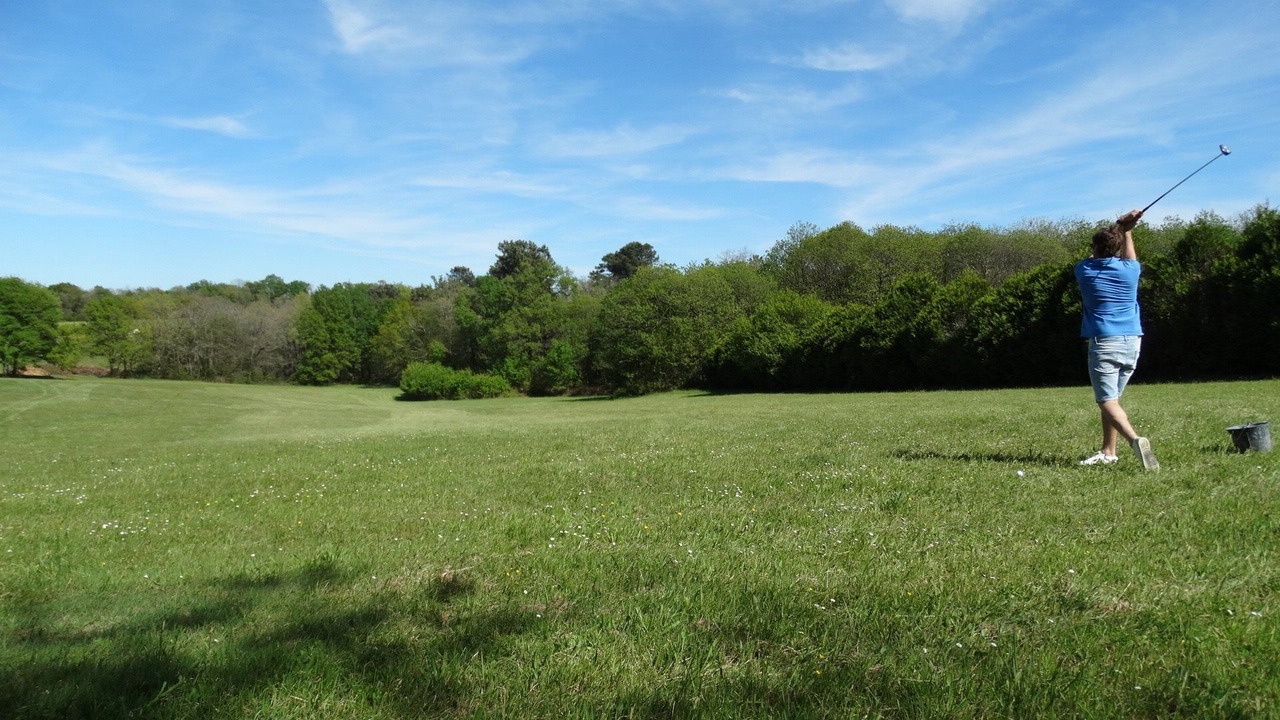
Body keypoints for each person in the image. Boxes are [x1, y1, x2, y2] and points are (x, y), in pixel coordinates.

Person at [1074, 209, 1159, 470]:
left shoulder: (1085, 270)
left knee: (1106, 401)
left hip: (1104, 342)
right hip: (1132, 341)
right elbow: (1127, 255)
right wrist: (1126, 229)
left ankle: (1135, 440)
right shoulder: (1131, 270)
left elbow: (1095, 255)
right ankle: (1108, 451)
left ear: (1096, 247)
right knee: (1113, 401)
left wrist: (1119, 225)